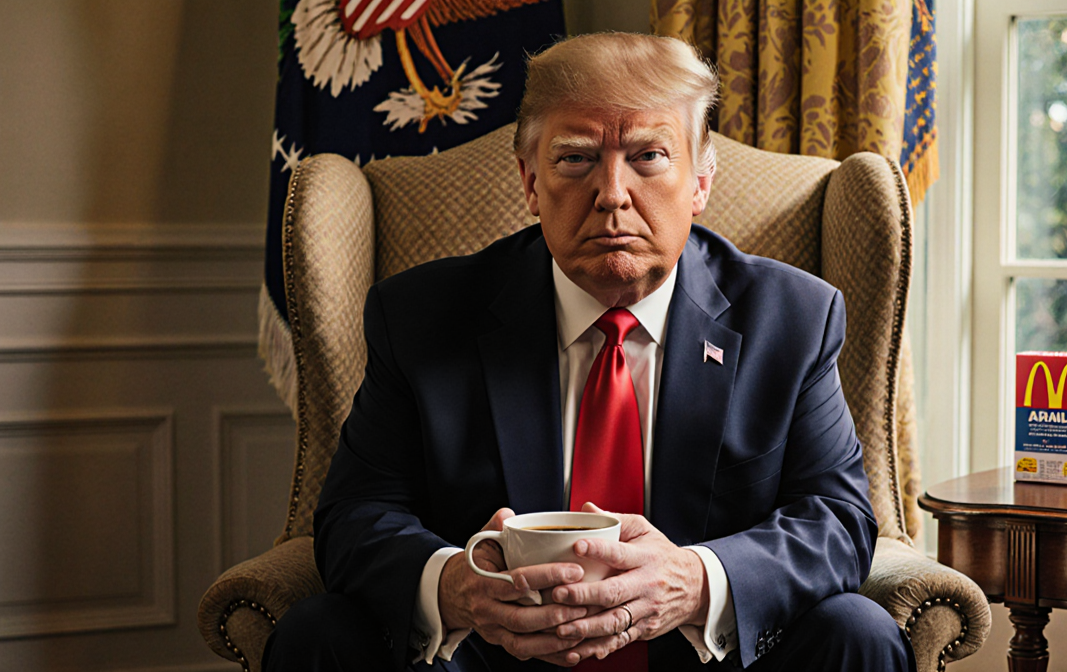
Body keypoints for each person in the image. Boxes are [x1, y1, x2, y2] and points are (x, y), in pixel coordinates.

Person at [264, 32, 916, 672]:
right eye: (575, 158)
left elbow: (836, 519)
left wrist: (696, 580)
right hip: (499, 658)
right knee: (318, 634)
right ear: (529, 181)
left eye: (649, 156)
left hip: (700, 657)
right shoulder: (421, 317)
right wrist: (452, 586)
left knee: (858, 633)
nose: (612, 193)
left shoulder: (791, 319)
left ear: (700, 181)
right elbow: (355, 515)